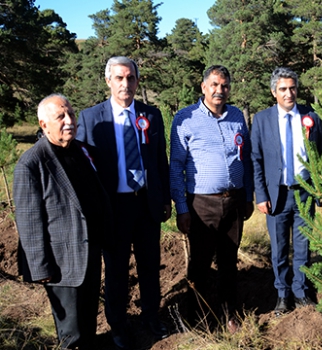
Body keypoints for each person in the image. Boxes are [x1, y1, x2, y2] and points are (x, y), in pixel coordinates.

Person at [76, 56, 171, 349]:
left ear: (137, 81)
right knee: (116, 270)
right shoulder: (91, 118)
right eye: (119, 78)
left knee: (149, 265)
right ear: (108, 81)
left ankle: (151, 316)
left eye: (130, 78)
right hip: (113, 207)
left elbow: (159, 161)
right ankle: (118, 325)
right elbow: (83, 168)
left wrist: (164, 197)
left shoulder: (151, 115)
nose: (125, 84)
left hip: (146, 204)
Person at [15, 94, 110, 349]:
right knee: (71, 332)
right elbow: (28, 219)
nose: (69, 121)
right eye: (60, 117)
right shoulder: (31, 163)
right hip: (61, 262)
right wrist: (40, 267)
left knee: (89, 318)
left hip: (89, 251)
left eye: (71, 114)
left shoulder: (83, 151)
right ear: (44, 124)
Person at [169, 65, 253, 331]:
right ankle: (196, 317)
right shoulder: (185, 119)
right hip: (201, 204)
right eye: (214, 85)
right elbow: (176, 168)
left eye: (225, 85)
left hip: (234, 201)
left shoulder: (237, 116)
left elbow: (246, 159)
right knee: (201, 265)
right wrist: (181, 208)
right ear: (203, 87)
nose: (220, 90)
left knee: (229, 262)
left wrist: (247, 196)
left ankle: (230, 315)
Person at [251, 67, 322, 315]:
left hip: (305, 192)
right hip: (277, 196)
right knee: (280, 249)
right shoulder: (262, 120)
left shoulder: (311, 116)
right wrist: (261, 195)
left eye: (292, 88)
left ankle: (301, 290)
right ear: (274, 92)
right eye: (283, 89)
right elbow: (255, 159)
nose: (289, 93)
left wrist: (321, 188)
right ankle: (283, 294)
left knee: (304, 247)